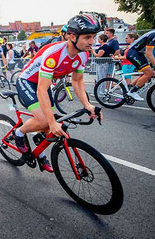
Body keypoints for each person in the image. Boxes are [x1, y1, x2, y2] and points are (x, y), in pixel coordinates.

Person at [15, 14, 102, 173]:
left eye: (94, 37)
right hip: (28, 81)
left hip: (43, 82)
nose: (92, 42)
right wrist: (51, 121)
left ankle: (38, 151)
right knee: (45, 121)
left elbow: (77, 81)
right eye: (87, 37)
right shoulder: (54, 54)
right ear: (72, 36)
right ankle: (19, 134)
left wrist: (88, 105)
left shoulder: (84, 53)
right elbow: (41, 89)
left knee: (50, 124)